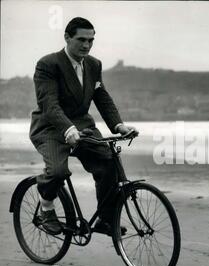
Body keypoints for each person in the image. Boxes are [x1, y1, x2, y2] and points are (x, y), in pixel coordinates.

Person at [30, 17, 137, 235]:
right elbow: (49, 104)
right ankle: (46, 208)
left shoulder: (94, 64)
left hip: (83, 127)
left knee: (109, 164)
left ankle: (105, 220)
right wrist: (68, 130)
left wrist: (119, 125)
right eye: (81, 39)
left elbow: (102, 97)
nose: (86, 45)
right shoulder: (47, 64)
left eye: (91, 40)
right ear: (67, 37)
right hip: (50, 127)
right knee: (58, 172)